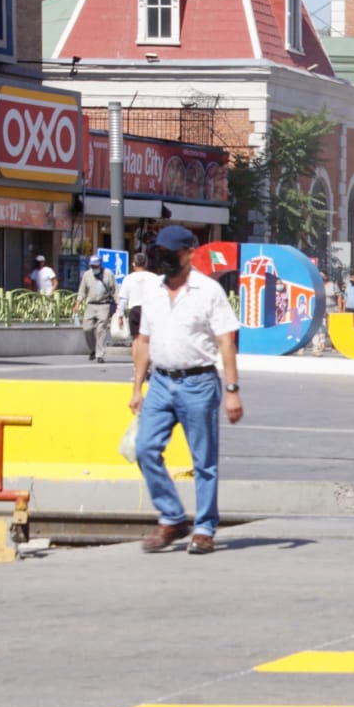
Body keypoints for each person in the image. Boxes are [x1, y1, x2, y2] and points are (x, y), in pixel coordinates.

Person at [131, 226, 243, 556]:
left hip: (199, 383)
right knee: (144, 448)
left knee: (204, 461)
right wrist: (137, 387)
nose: (163, 259)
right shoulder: (152, 292)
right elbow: (143, 341)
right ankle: (172, 517)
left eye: (170, 253)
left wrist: (232, 389)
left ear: (189, 253)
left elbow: (226, 340)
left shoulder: (208, 291)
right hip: (161, 383)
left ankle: (205, 527)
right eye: (159, 253)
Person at [77, 256, 117, 363]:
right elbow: (82, 291)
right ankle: (92, 350)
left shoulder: (108, 274)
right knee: (87, 328)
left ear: (100, 265)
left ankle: (100, 354)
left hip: (104, 305)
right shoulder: (87, 275)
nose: (94, 267)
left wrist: (117, 305)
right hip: (91, 305)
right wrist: (77, 304)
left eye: (96, 265)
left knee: (101, 329)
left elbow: (114, 290)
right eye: (92, 265)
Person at [117, 253, 157, 340]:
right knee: (149, 340)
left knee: (136, 339)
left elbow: (123, 300)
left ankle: (136, 353)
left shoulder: (128, 278)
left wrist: (120, 316)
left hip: (134, 311)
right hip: (149, 310)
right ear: (146, 264)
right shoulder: (154, 277)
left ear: (133, 264)